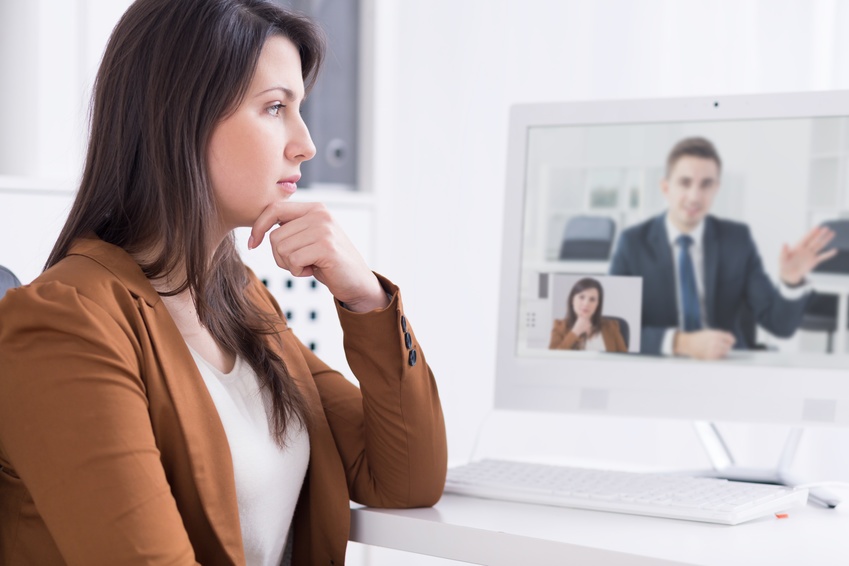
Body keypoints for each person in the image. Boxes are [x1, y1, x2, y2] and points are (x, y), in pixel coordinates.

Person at [0, 1, 447, 565]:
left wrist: (365, 298)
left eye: (298, 108)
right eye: (275, 107)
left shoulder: (238, 303)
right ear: (181, 116)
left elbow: (404, 477)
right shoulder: (64, 322)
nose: (305, 143)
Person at [609, 136, 836, 360]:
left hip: (725, 366)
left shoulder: (737, 239)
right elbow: (610, 330)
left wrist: (790, 281)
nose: (695, 196)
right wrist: (681, 343)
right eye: (685, 183)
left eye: (706, 184)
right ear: (665, 187)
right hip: (658, 368)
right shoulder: (632, 242)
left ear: (717, 188)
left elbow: (779, 326)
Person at [549, 277, 628, 352]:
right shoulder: (559, 326)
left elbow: (625, 360)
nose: (586, 303)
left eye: (592, 299)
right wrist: (575, 332)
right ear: (572, 300)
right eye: (581, 297)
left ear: (597, 304)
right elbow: (552, 360)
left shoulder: (611, 326)